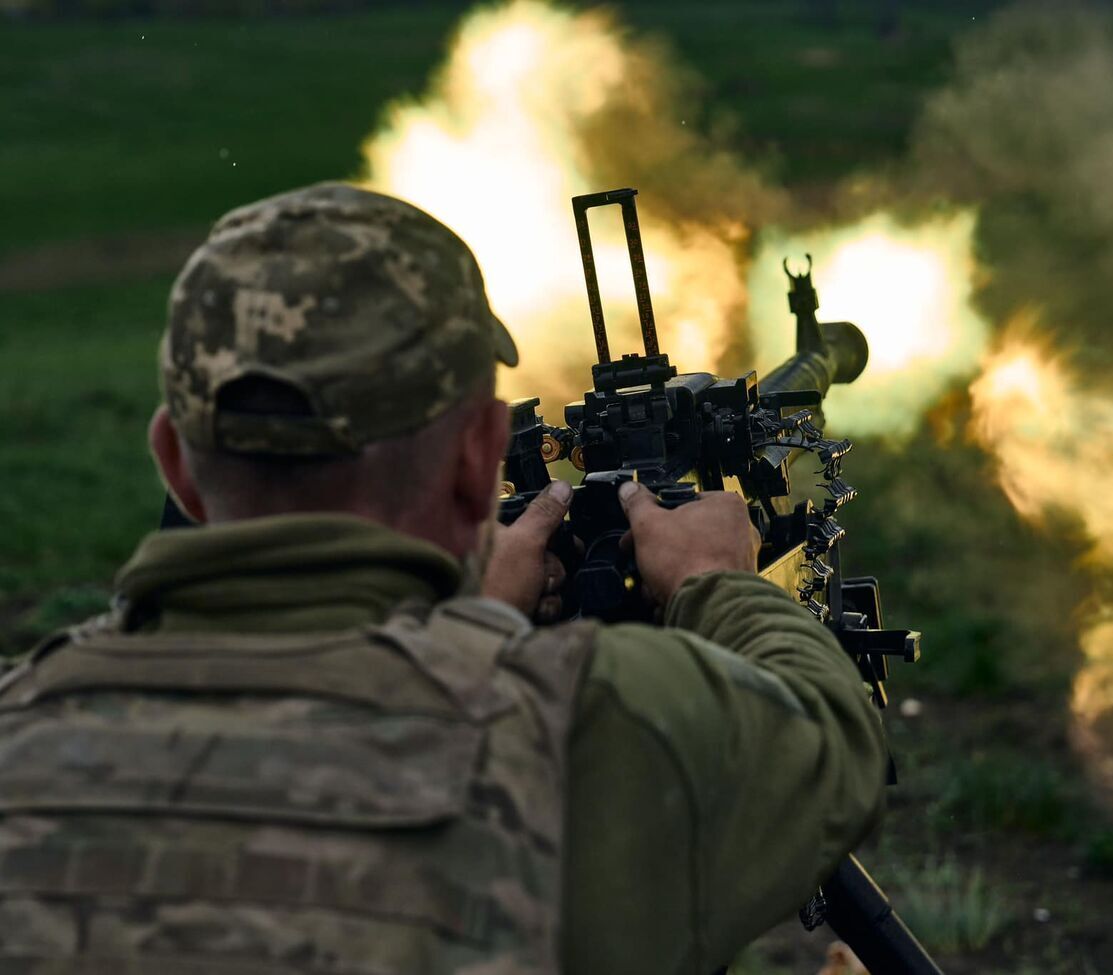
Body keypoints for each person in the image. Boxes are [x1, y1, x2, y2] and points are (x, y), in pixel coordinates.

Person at [0, 183, 888, 975]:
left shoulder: (20, 737)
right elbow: (830, 745)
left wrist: (462, 623)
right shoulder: (591, 730)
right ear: (477, 459)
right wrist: (710, 581)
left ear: (175, 467)